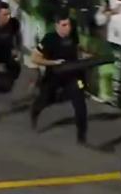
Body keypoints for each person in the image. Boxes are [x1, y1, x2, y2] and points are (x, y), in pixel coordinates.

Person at [31, 14, 89, 144]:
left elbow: (78, 51)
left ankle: (82, 137)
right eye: (64, 25)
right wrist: (54, 63)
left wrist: (85, 56)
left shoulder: (74, 36)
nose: (68, 28)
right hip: (54, 76)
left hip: (72, 76)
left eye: (69, 25)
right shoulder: (49, 39)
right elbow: (35, 58)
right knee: (44, 100)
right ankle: (34, 114)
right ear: (57, 26)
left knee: (80, 104)